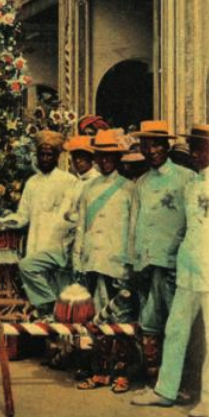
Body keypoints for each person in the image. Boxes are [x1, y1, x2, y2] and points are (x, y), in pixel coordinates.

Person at [132, 125, 209, 417]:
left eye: (202, 147)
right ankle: (165, 390)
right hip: (188, 266)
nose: (196, 152)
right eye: (193, 146)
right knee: (175, 329)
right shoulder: (193, 182)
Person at [0, 131, 80, 320]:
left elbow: (74, 218)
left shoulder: (69, 181)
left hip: (60, 246)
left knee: (65, 297)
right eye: (41, 154)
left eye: (49, 154)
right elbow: (22, 216)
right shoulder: (32, 182)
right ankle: (47, 318)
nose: (44, 158)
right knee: (41, 298)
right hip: (36, 244)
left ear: (57, 156)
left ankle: (66, 343)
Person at [129, 120, 196, 382]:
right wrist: (133, 260)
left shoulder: (185, 177)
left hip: (175, 262)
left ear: (166, 146)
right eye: (146, 145)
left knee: (178, 323)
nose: (152, 150)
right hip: (147, 263)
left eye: (156, 144)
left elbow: (194, 221)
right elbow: (134, 225)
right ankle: (156, 378)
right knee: (150, 320)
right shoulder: (141, 183)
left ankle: (185, 379)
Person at [73, 130, 136, 392]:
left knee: (121, 319)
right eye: (101, 155)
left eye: (110, 155)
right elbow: (81, 226)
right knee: (96, 319)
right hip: (93, 260)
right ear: (96, 157)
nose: (105, 160)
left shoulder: (129, 188)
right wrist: (78, 259)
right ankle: (100, 372)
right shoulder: (88, 189)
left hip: (118, 262)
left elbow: (132, 229)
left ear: (118, 157)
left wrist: (130, 263)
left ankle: (122, 373)